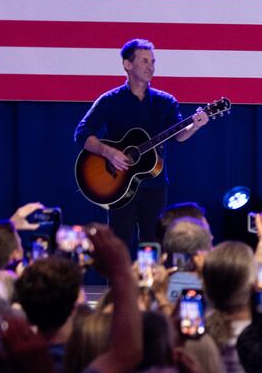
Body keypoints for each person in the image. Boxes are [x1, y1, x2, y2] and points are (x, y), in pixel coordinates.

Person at [74, 39, 210, 249]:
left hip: (154, 185)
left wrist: (195, 126)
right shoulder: (110, 100)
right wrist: (108, 152)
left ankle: (152, 282)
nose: (151, 66)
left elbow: (179, 135)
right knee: (118, 244)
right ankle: (119, 283)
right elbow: (82, 133)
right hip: (117, 184)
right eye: (144, 61)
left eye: (153, 61)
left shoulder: (165, 101)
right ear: (128, 65)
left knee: (154, 243)